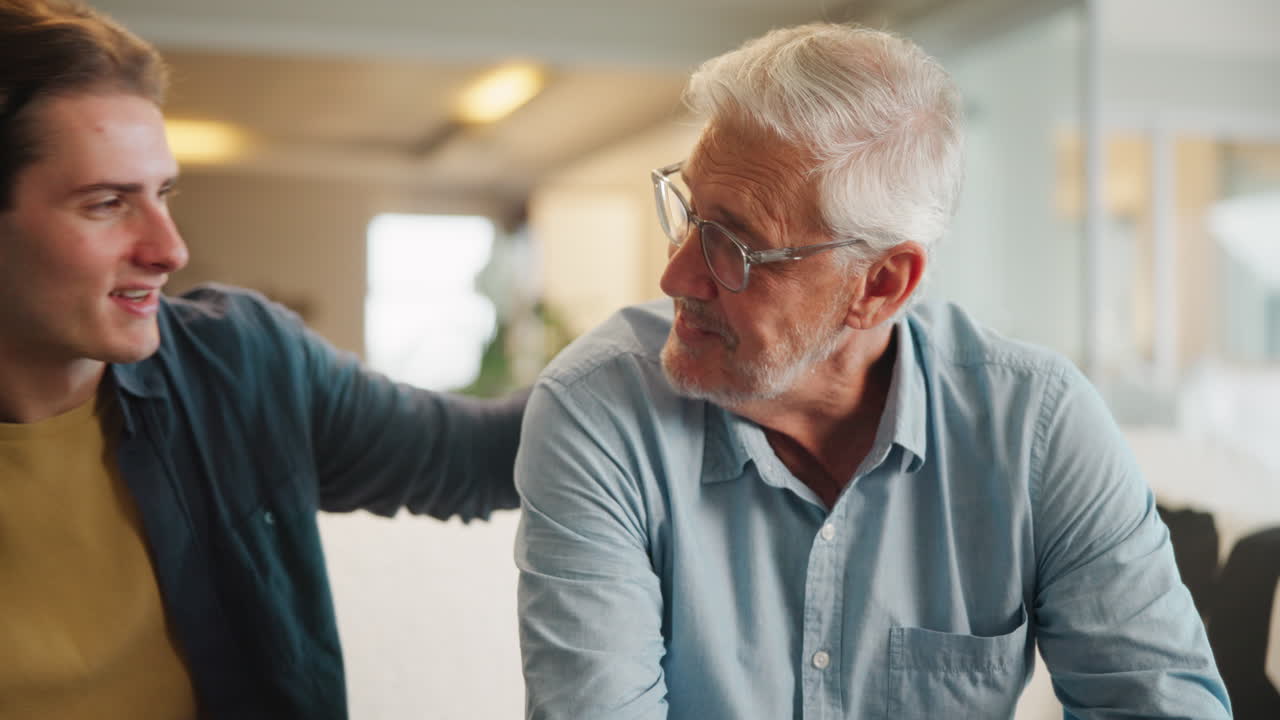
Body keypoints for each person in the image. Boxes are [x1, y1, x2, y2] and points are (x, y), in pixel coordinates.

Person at [515, 23, 1231, 719]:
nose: (676, 275)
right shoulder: (598, 411)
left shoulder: (1038, 426)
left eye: (733, 245)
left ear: (882, 284)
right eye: (689, 213)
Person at [0, 1, 526, 718]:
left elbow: (479, 456)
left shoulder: (242, 367)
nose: (169, 249)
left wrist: (693, 343)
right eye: (105, 203)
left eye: (162, 193)